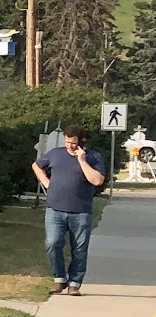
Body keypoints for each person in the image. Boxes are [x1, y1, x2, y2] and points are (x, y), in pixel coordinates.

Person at [32, 125, 107, 296]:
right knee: (52, 243)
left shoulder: (94, 157)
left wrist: (82, 161)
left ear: (81, 142)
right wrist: (46, 183)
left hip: (80, 211)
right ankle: (59, 279)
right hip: (55, 209)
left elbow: (97, 181)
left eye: (73, 143)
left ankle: (75, 283)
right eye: (67, 142)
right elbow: (36, 166)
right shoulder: (56, 154)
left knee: (79, 248)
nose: (70, 146)